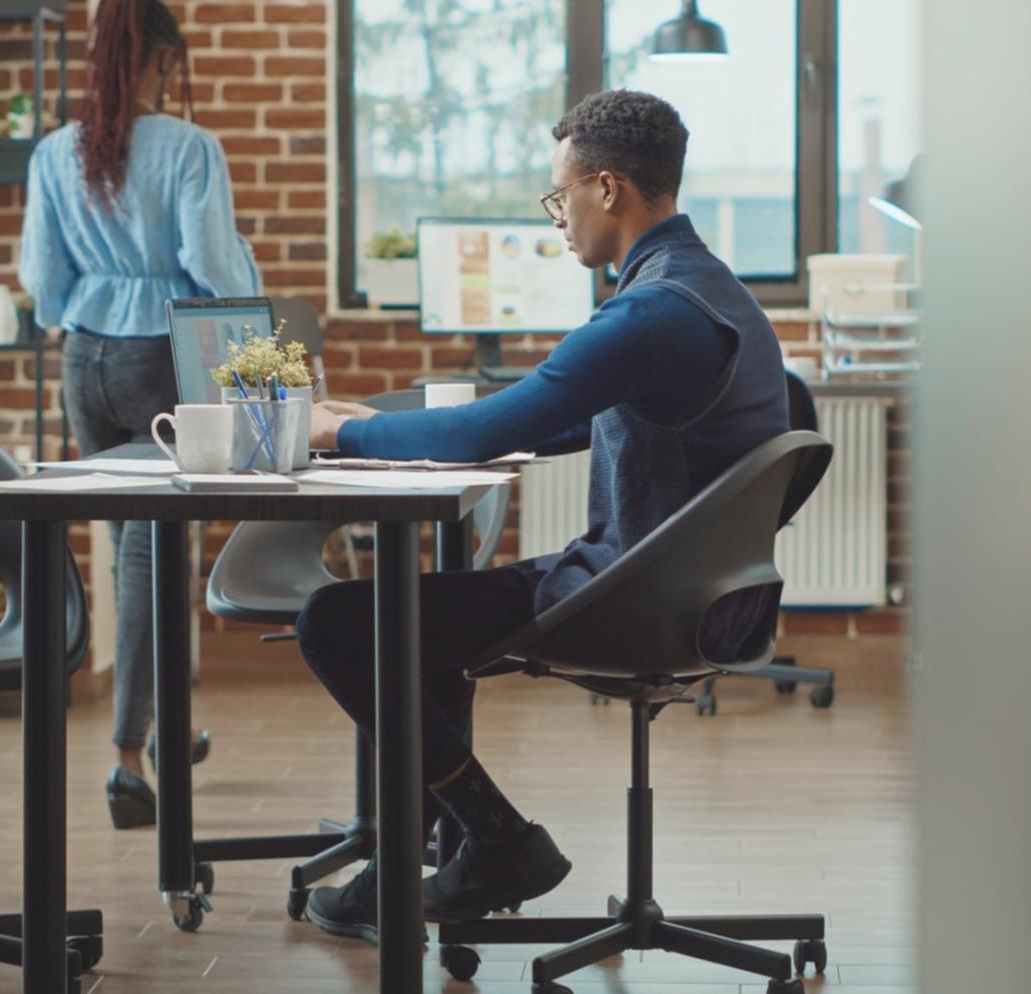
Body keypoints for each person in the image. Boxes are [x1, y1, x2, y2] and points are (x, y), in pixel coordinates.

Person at [295, 90, 791, 940]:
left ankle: (494, 842)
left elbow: (491, 430)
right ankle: (439, 858)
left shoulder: (649, 311)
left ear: (608, 190)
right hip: (699, 593)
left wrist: (341, 429)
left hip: (637, 600)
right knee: (419, 620)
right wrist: (383, 422)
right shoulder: (705, 290)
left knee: (338, 620)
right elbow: (563, 415)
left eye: (558, 197)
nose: (555, 217)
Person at [20, 0, 259, 830]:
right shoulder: (191, 149)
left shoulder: (56, 152)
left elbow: (43, 283)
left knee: (130, 546)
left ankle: (168, 727)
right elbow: (211, 265)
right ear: (159, 65)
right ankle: (129, 755)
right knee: (158, 552)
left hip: (83, 357)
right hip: (163, 356)